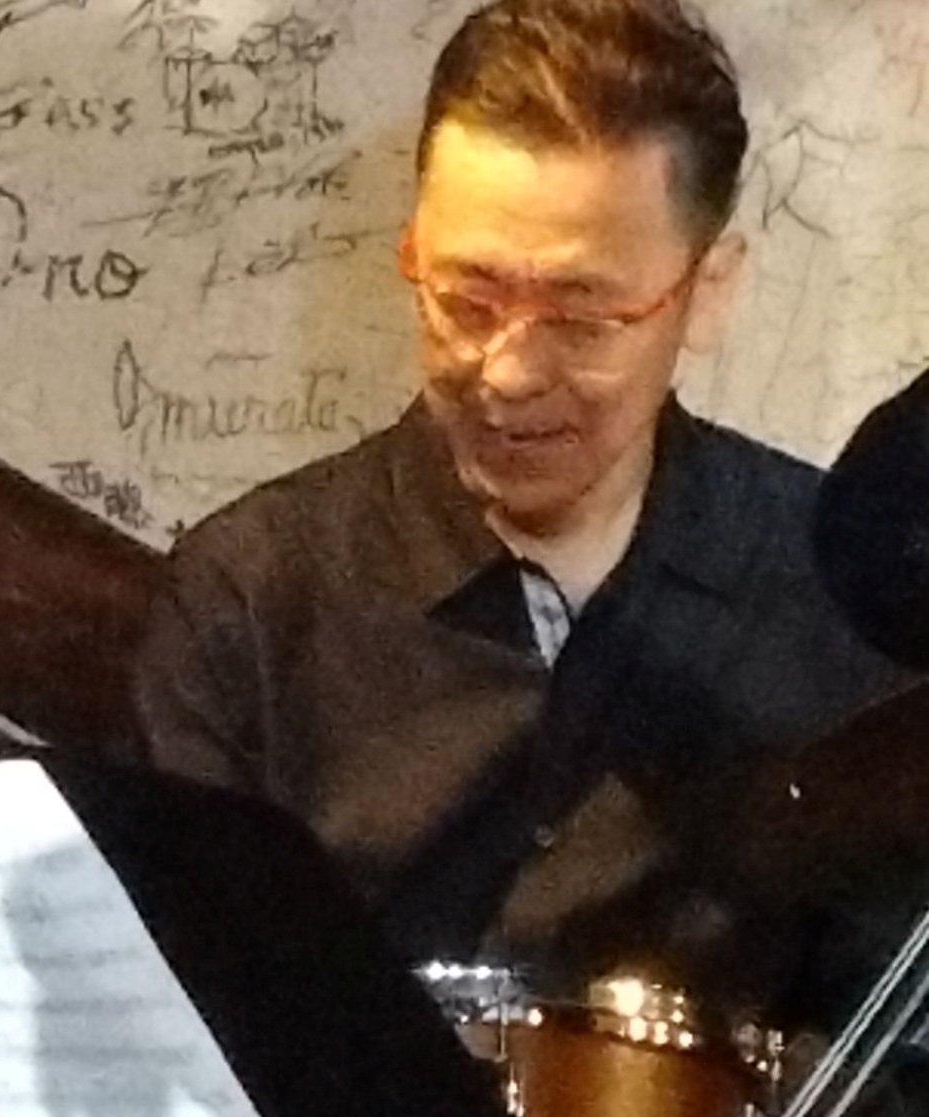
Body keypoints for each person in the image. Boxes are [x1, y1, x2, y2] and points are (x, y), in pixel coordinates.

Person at [136, 0, 909, 1010]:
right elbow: (187, 1014)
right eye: (465, 300)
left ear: (709, 289)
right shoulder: (249, 600)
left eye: (582, 319)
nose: (506, 373)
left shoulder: (843, 598)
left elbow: (879, 1044)